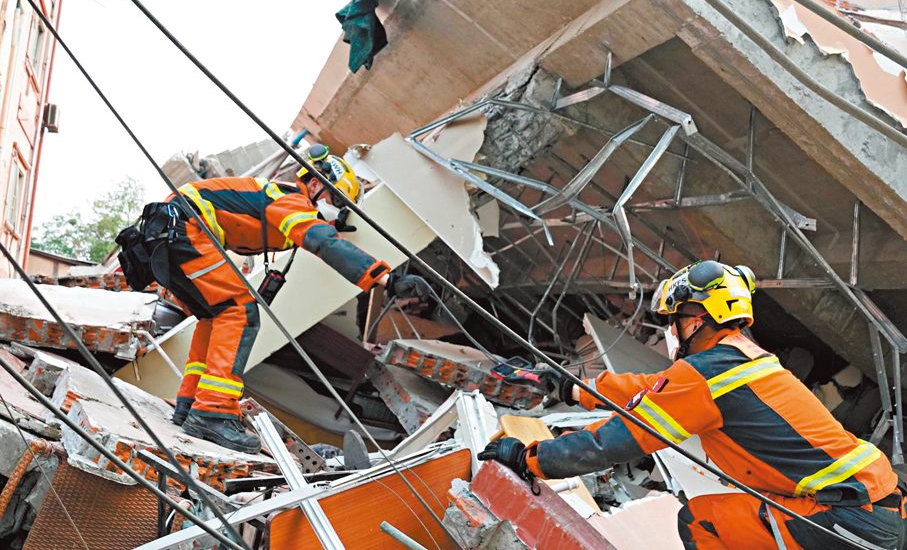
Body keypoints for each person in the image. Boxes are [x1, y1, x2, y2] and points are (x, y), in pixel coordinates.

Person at [479, 260, 905, 549]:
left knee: (700, 522)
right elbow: (652, 389)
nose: (673, 330)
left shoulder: (706, 374)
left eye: (675, 319)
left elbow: (614, 443)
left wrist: (528, 458)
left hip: (843, 517)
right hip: (876, 504)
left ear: (696, 319)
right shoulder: (746, 360)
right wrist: (569, 388)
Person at [117, 144, 421, 453]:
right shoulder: (291, 199)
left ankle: (191, 403)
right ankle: (213, 411)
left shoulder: (280, 198)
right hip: (185, 229)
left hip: (170, 233)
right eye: (338, 200)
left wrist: (329, 221)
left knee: (215, 317)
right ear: (315, 183)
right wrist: (386, 279)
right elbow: (322, 243)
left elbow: (306, 231)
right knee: (240, 312)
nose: (338, 210)